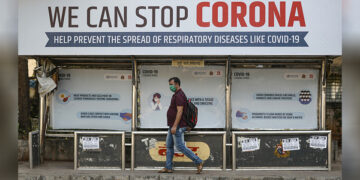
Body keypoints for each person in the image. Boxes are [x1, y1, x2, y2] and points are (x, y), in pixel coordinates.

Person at [158, 77, 204, 174]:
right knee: (169, 146)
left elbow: (180, 111)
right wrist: (172, 125)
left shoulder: (179, 95)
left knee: (180, 146)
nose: (170, 86)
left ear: (177, 84)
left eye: (171, 84)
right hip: (173, 125)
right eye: (169, 84)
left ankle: (198, 161)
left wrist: (175, 126)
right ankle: (168, 167)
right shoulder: (176, 94)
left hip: (177, 126)